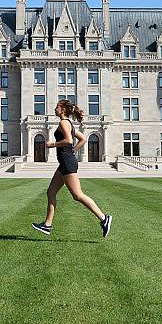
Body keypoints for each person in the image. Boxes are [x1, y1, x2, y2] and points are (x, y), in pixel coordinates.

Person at [31, 99, 112, 238]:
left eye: (57, 107)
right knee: (51, 192)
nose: (54, 109)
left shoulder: (64, 123)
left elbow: (68, 140)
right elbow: (83, 139)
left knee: (78, 195)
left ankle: (104, 218)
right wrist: (74, 150)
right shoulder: (68, 123)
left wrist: (53, 144)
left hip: (67, 163)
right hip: (64, 163)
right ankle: (47, 225)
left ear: (62, 110)